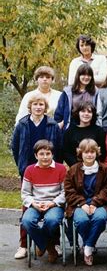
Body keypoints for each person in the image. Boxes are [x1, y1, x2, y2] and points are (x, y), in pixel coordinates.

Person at [11, 96, 62, 260]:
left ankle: (54, 243)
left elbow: (59, 146)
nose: (38, 107)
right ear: (30, 107)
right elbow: (15, 146)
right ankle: (24, 245)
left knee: (53, 209)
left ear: (45, 107)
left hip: (50, 167)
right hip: (29, 169)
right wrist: (22, 164)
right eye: (35, 104)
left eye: (41, 104)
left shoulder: (52, 125)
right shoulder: (22, 124)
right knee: (27, 209)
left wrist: (55, 165)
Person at [64, 139, 107, 266]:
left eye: (92, 152)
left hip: (100, 204)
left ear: (97, 153)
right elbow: (69, 191)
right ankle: (89, 245)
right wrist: (83, 204)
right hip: (79, 205)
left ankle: (87, 247)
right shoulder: (73, 170)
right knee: (82, 221)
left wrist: (94, 203)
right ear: (80, 153)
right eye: (86, 152)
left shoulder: (105, 170)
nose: (89, 155)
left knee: (100, 218)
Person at [21, 140, 66, 263]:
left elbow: (65, 193)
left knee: (52, 220)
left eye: (48, 153)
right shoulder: (29, 170)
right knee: (27, 221)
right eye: (41, 154)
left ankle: (41, 244)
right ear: (36, 155)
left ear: (52, 154)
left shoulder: (61, 169)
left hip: (54, 204)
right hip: (36, 203)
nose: (45, 157)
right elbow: (25, 193)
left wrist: (53, 203)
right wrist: (33, 203)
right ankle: (48, 246)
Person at [55, 63, 98, 130]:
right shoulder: (68, 91)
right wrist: (59, 124)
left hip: (89, 125)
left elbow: (98, 111)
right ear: (78, 76)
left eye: (89, 75)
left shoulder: (95, 92)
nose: (86, 77)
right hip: (71, 125)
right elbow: (59, 111)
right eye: (83, 74)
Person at [63, 101, 106, 167]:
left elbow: (102, 152)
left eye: (89, 112)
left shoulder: (99, 131)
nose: (86, 114)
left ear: (93, 114)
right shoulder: (69, 131)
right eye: (83, 111)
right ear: (78, 113)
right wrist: (77, 166)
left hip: (95, 168)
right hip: (75, 169)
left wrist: (91, 165)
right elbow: (66, 152)